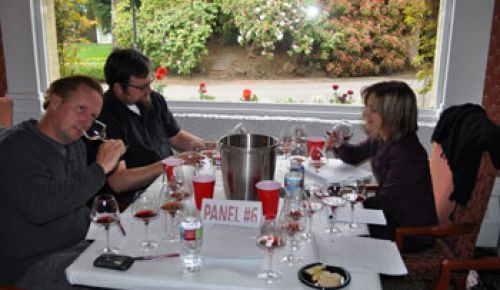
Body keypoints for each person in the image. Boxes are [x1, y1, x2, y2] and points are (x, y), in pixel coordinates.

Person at [0, 75, 125, 288]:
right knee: (115, 280)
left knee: (143, 256)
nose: (87, 121)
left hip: (77, 245)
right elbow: (39, 207)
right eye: (81, 109)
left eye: (93, 116)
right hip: (30, 263)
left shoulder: (75, 144)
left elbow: (73, 198)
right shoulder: (16, 146)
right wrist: (99, 168)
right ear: (55, 102)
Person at [327, 80, 438, 252]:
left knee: (337, 241)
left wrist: (338, 204)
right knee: (331, 230)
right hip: (389, 218)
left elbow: (383, 203)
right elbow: (355, 155)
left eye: (373, 110)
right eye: (366, 107)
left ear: (393, 115)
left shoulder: (407, 154)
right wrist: (338, 145)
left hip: (408, 233)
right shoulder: (383, 138)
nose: (365, 113)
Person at [94, 48, 206, 206]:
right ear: (119, 88)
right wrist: (168, 164)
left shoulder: (153, 100)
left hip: (167, 187)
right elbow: (118, 182)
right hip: (134, 202)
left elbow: (175, 136)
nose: (149, 90)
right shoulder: (104, 115)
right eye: (142, 87)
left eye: (149, 83)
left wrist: (204, 146)